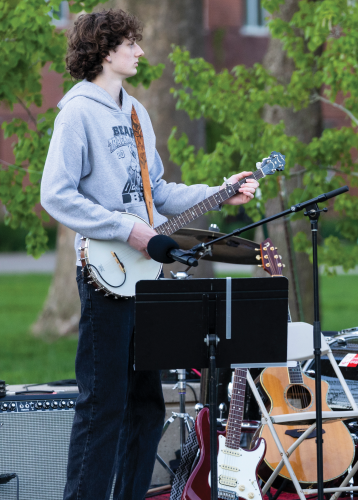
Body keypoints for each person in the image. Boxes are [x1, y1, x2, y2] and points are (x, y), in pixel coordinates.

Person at [40, 9, 259, 500]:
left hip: (148, 280)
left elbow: (155, 189)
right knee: (103, 406)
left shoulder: (135, 112)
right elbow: (55, 194)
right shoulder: (76, 112)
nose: (140, 51)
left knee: (147, 407)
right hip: (105, 279)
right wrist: (131, 230)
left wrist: (222, 191)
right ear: (104, 50)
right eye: (130, 44)